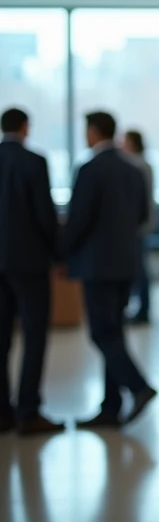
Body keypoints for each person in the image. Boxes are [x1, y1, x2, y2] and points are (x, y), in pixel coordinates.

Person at [63, 111, 157, 427]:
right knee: (113, 331)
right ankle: (110, 407)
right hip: (126, 262)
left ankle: (139, 387)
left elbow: (79, 219)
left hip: (97, 265)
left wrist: (62, 252)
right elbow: (143, 214)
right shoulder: (133, 169)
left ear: (93, 132)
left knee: (102, 333)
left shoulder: (89, 170)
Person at [0, 108, 65, 435]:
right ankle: (28, 411)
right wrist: (58, 255)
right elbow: (44, 214)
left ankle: (2, 412)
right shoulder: (33, 162)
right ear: (25, 127)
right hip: (29, 263)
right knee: (34, 335)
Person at [121, 130, 156, 323]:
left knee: (140, 269)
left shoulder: (138, 165)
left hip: (138, 225)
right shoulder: (140, 164)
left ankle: (143, 310)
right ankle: (140, 308)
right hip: (139, 224)